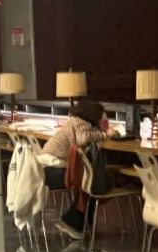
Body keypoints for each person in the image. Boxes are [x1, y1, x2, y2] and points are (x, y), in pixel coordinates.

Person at [37, 98, 118, 239]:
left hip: (45, 170)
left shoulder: (74, 121)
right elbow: (83, 138)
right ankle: (74, 223)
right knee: (92, 183)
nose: (102, 117)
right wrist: (105, 133)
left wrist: (103, 128)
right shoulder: (81, 122)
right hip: (52, 171)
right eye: (101, 115)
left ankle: (76, 223)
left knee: (90, 181)